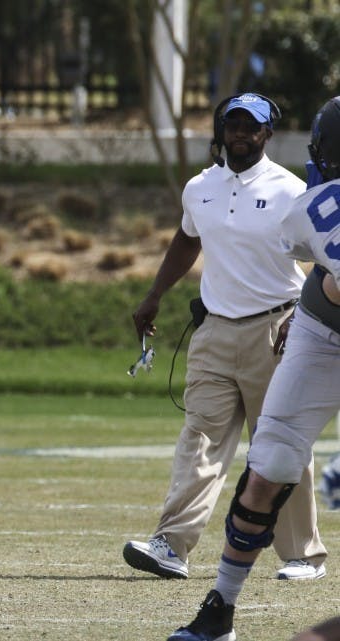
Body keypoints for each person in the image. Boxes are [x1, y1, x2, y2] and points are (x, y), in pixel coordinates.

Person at [123, 92, 328, 583]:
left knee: (280, 445)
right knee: (199, 438)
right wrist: (154, 296)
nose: (240, 134)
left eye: (250, 127)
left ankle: (302, 556)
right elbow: (188, 237)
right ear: (221, 130)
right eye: (232, 125)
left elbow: (322, 257)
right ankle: (171, 545)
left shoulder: (290, 190)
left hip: (277, 331)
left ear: (267, 135)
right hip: (213, 331)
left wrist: (306, 318)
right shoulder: (200, 188)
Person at [167, 96, 340, 641]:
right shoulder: (309, 207)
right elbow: (323, 273)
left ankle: (303, 558)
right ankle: (220, 607)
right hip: (319, 325)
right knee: (269, 460)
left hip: (302, 320)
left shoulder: (297, 196)